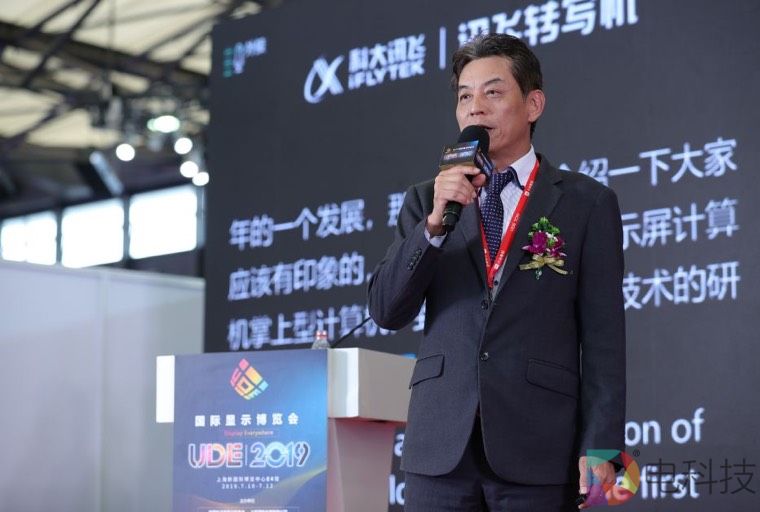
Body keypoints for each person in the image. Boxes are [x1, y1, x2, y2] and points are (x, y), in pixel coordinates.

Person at [367, 33, 626, 511]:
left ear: (533, 104)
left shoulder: (586, 204)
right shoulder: (428, 200)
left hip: (539, 446)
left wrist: (602, 446)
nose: (475, 108)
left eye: (493, 92)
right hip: (440, 449)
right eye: (465, 96)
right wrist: (433, 227)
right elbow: (386, 310)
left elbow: (604, 336)